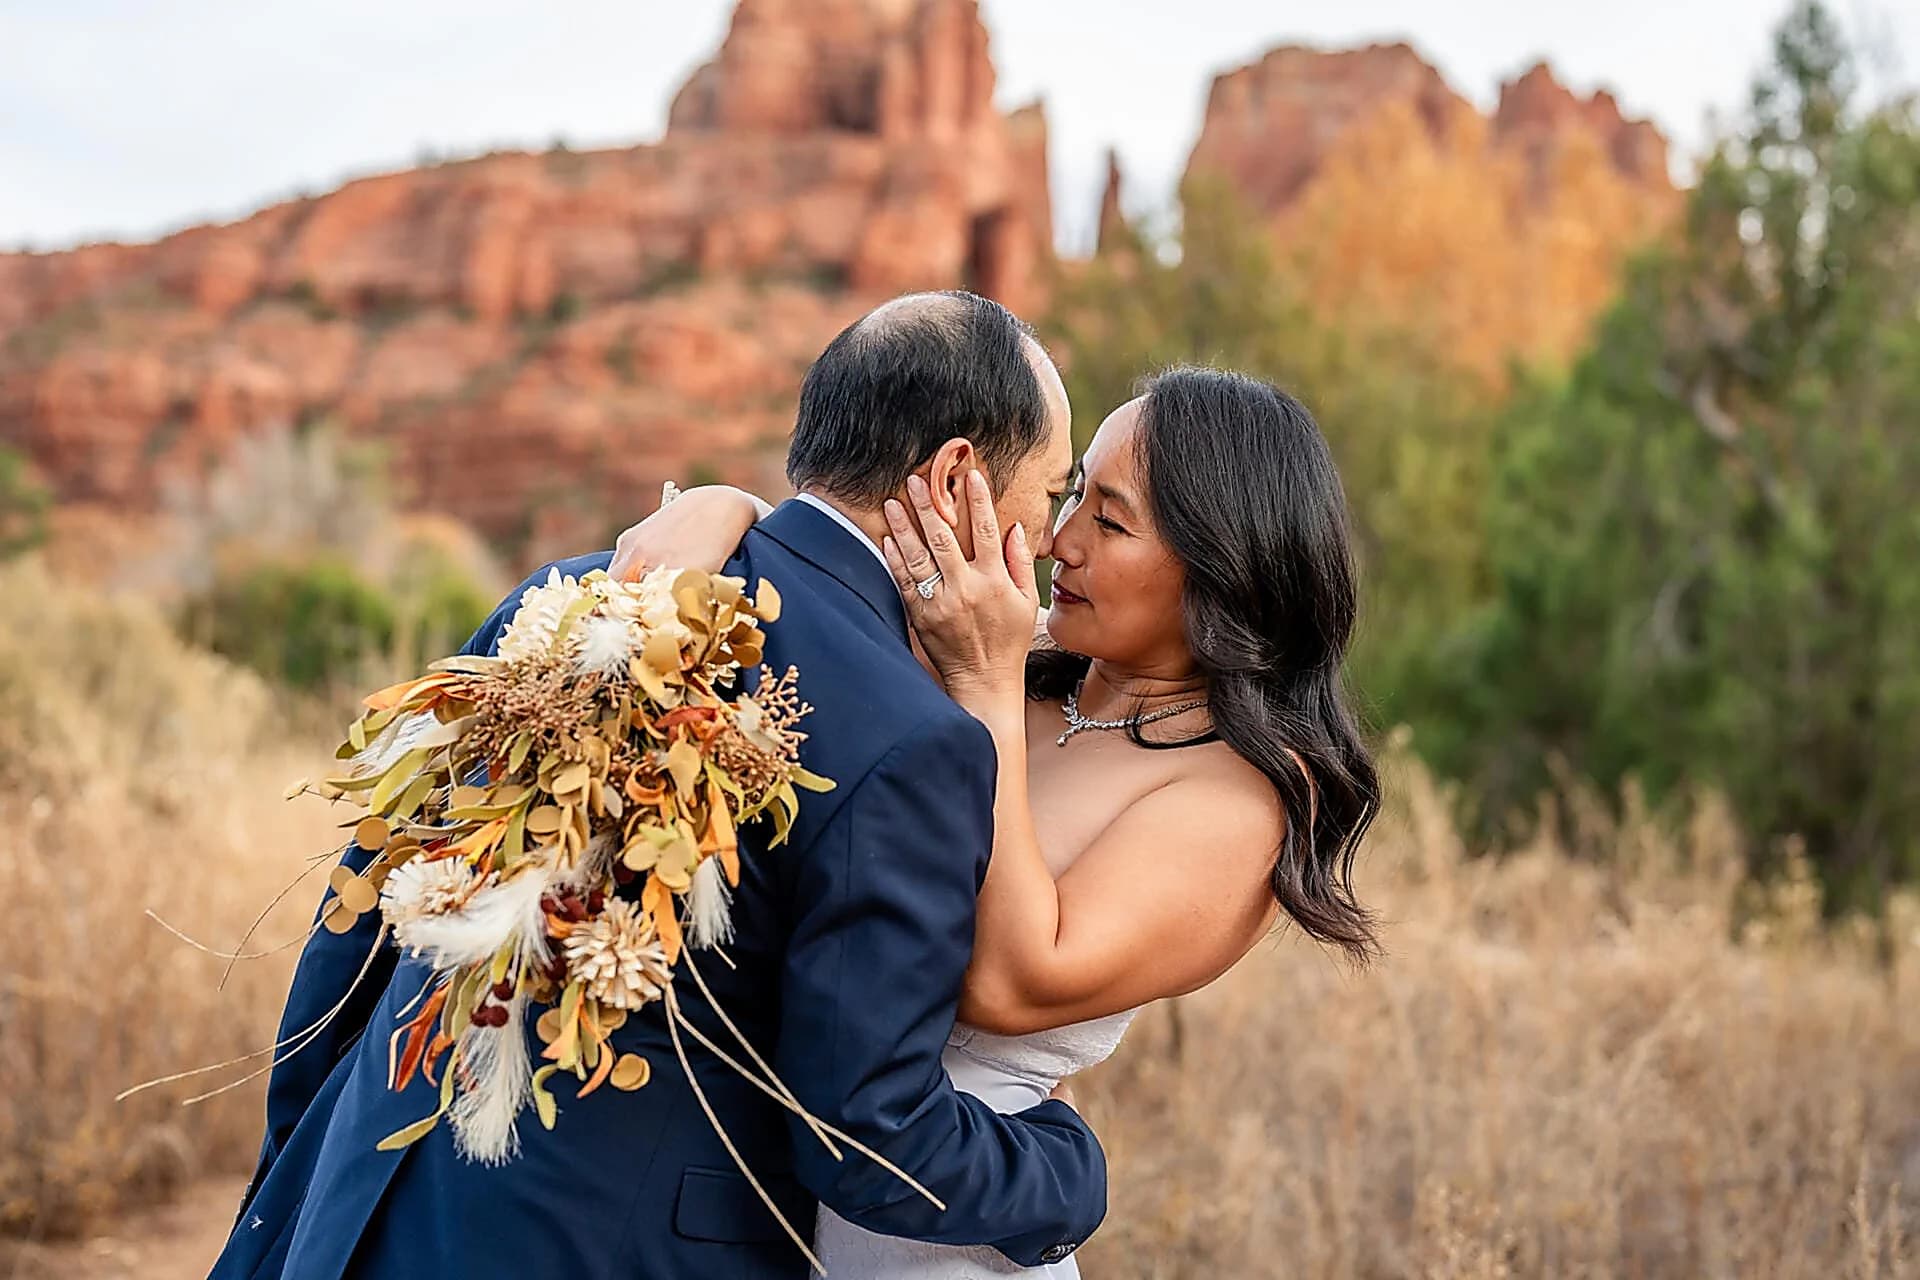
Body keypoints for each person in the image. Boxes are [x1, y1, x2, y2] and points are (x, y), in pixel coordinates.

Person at [210, 290, 1106, 1280]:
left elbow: (360, 922)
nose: (1052, 532)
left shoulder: (572, 597)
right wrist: (1066, 1171)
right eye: (1053, 490)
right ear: (955, 478)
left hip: (359, 1205)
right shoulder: (913, 739)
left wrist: (292, 1182)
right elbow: (869, 1133)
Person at [614, 363, 1381, 1278]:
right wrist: (724, 506)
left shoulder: (1240, 798)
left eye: (1111, 518)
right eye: (1074, 494)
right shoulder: (1015, 655)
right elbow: (829, 579)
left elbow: (1009, 980)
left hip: (941, 1238)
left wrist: (982, 684)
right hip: (758, 1202)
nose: (1059, 540)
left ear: (1222, 564)